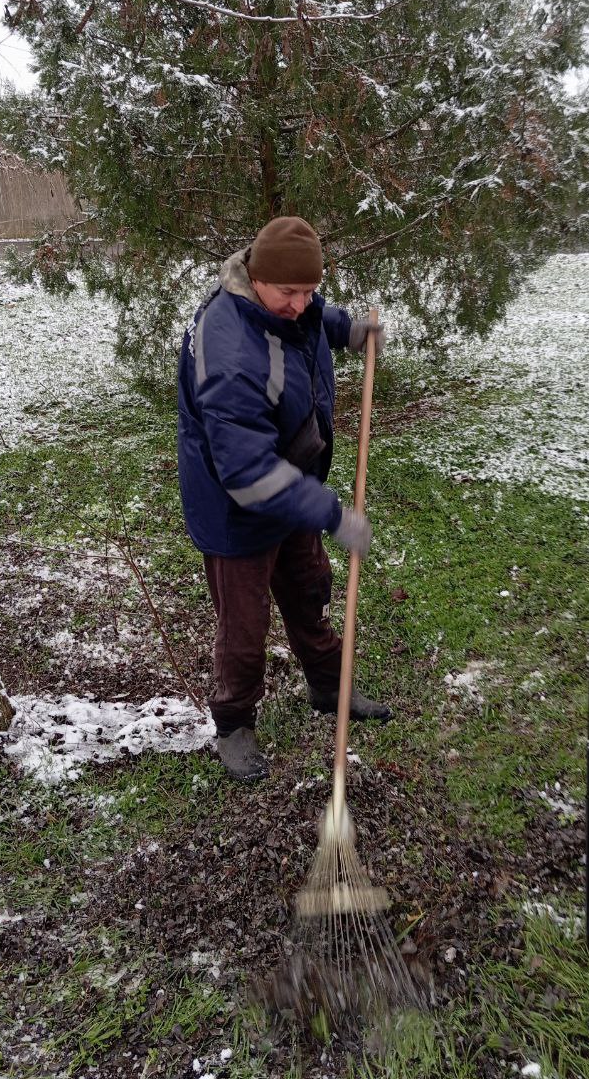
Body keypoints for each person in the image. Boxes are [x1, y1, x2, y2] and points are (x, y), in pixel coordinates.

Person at [177, 216, 391, 782]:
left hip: (290, 484)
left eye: (310, 289)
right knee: (244, 629)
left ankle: (328, 687)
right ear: (256, 277)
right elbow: (246, 471)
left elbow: (312, 317)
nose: (301, 303)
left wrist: (350, 330)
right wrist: (330, 514)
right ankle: (232, 723)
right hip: (237, 506)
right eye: (289, 292)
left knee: (308, 591)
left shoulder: (286, 305)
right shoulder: (228, 348)